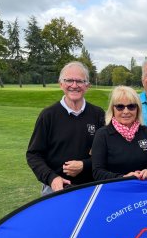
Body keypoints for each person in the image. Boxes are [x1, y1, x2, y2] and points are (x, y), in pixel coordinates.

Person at [26, 61, 105, 195]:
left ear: (87, 86)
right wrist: (52, 178)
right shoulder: (48, 115)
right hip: (56, 188)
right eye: (69, 80)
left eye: (80, 81)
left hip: (91, 188)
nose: (74, 85)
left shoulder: (98, 115)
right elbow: (34, 155)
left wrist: (85, 165)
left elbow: (106, 153)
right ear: (61, 84)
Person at [92, 86, 147, 181]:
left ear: (137, 109)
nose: (126, 111)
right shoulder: (102, 134)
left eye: (131, 106)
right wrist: (123, 178)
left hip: (143, 185)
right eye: (120, 107)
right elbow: (97, 172)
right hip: (116, 187)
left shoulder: (145, 131)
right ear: (113, 109)